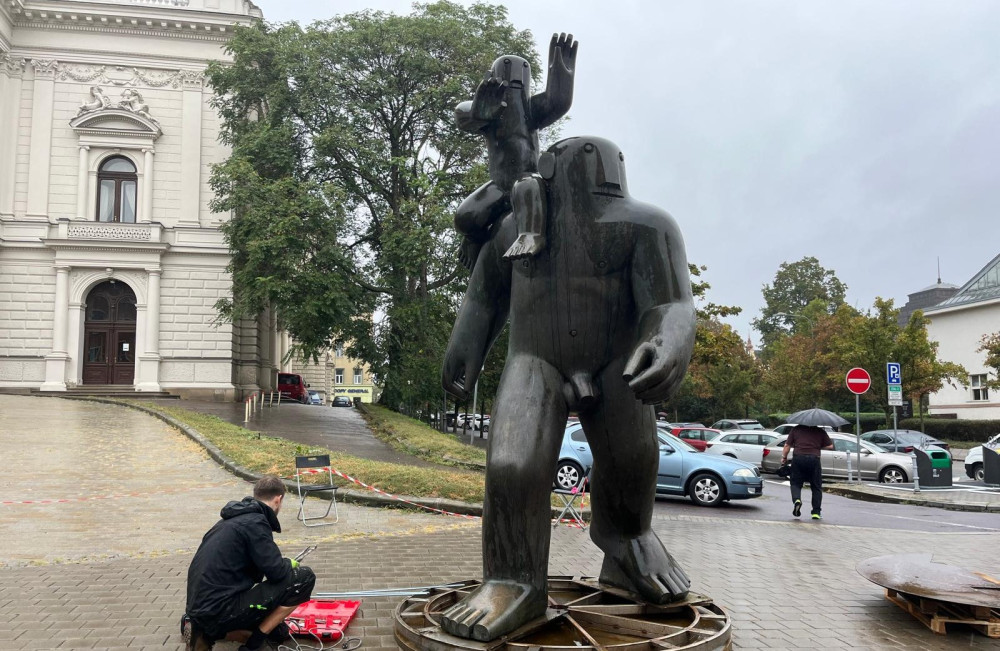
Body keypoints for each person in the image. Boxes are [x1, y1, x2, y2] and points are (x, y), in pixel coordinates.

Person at [183, 476, 316, 651]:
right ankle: (254, 643)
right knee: (304, 577)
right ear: (278, 499)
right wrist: (287, 564)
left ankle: (204, 632)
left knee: (279, 632)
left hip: (200, 608)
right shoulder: (256, 522)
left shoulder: (228, 521)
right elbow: (277, 572)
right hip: (221, 610)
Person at [781, 425, 834, 520]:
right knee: (816, 486)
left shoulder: (796, 429)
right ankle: (816, 512)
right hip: (814, 459)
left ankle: (797, 500)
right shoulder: (820, 431)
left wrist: (784, 457)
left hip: (798, 458)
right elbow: (830, 446)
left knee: (795, 483)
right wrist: (817, 446)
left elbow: (787, 445)